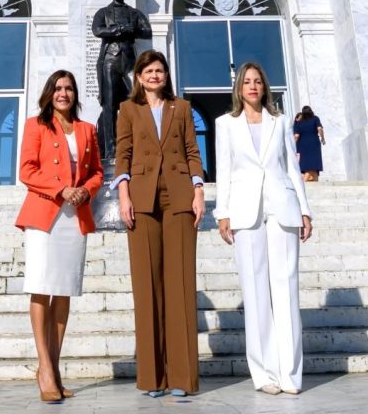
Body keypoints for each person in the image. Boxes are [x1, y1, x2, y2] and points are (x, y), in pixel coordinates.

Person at [214, 63, 313, 396]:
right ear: (239, 88)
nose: (253, 86)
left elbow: (293, 167)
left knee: (286, 290)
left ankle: (291, 374)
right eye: (247, 81)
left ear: (265, 87)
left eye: (258, 81)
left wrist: (304, 209)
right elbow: (224, 169)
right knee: (255, 293)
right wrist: (222, 213)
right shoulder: (224, 124)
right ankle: (265, 373)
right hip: (245, 211)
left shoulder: (281, 122)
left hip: (282, 208)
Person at [114, 50, 205, 397]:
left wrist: (198, 190)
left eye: (160, 70)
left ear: (166, 75)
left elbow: (192, 150)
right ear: (138, 76)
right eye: (149, 70)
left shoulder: (180, 108)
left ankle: (183, 378)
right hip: (141, 198)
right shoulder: (127, 110)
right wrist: (123, 195)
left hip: (179, 195)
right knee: (147, 286)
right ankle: (152, 378)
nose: (155, 75)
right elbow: (123, 154)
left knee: (180, 283)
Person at [16, 70, 104, 402]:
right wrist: (61, 189)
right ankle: (45, 370)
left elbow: (96, 171)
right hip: (43, 215)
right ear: (49, 93)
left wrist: (85, 190)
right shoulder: (35, 125)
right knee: (41, 289)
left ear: (75, 94)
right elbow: (26, 170)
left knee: (63, 293)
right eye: (57, 88)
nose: (63, 93)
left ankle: (55, 365)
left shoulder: (87, 129)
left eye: (68, 88)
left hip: (74, 218)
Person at [92, 0, 152, 160]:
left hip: (129, 61)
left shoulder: (134, 13)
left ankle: (137, 146)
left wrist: (131, 30)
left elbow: (147, 31)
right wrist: (118, 29)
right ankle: (111, 149)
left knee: (137, 102)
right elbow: (97, 30)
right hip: (109, 60)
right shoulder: (103, 12)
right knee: (109, 105)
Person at [293, 105, 325, 182]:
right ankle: (303, 183)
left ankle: (313, 183)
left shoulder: (299, 122)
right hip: (314, 143)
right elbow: (319, 128)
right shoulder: (315, 118)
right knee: (314, 165)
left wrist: (292, 146)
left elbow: (296, 136)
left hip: (302, 145)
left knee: (306, 165)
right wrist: (323, 138)